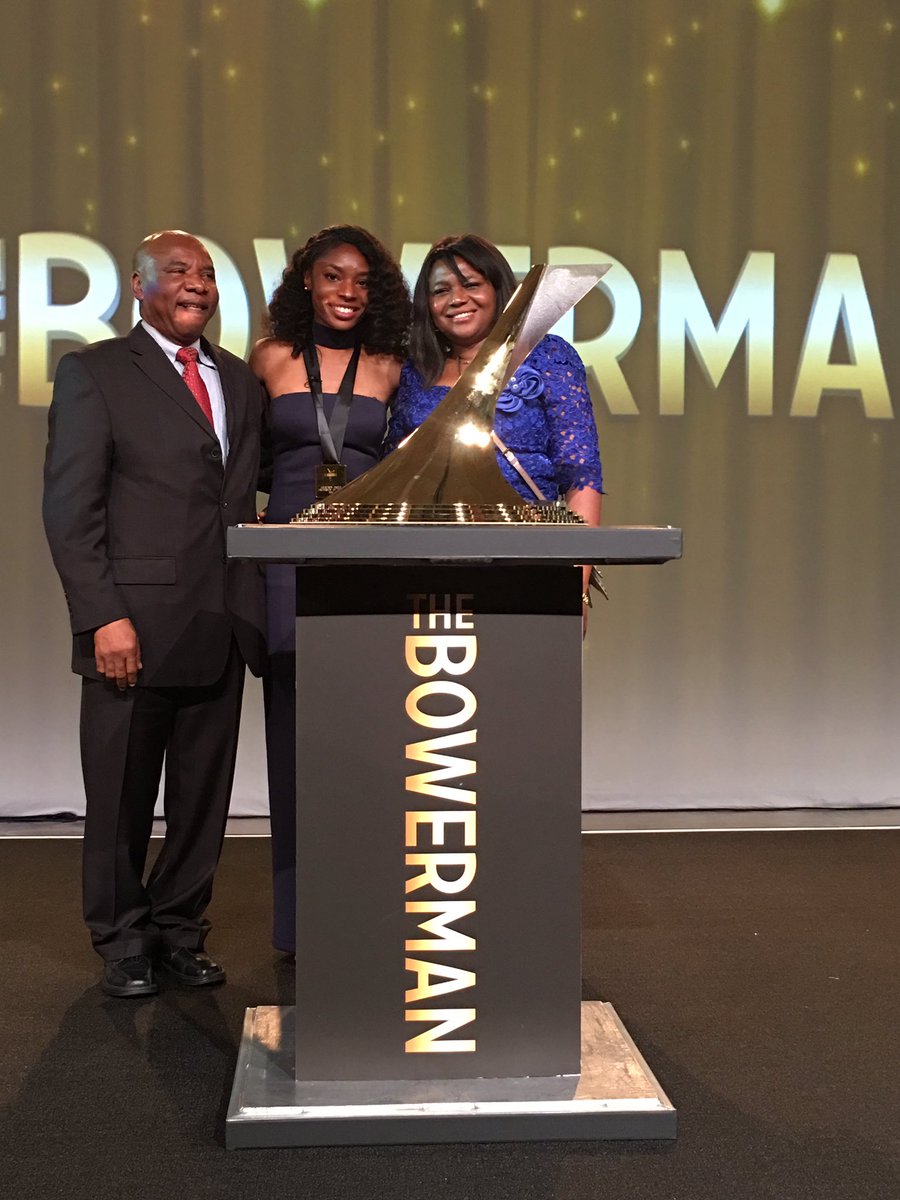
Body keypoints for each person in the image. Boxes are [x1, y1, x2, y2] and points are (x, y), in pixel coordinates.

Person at [42, 230, 266, 998]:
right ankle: (122, 940)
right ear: (139, 287)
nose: (196, 283)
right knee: (120, 799)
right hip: (130, 628)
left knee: (202, 801)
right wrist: (101, 615)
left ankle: (179, 930)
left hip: (223, 622)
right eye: (177, 271)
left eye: (206, 273)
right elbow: (71, 510)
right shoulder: (97, 373)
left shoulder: (240, 381)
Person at [251, 224, 410, 954]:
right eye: (332, 276)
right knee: (294, 737)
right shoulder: (270, 359)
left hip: (364, 566)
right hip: (285, 566)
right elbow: (242, 463)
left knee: (366, 736)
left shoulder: (390, 367)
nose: (347, 292)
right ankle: (298, 924)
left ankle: (364, 911)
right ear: (306, 283)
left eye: (362, 281)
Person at [384, 233, 604, 615]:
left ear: (497, 288)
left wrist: (577, 585)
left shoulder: (548, 356)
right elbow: (395, 473)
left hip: (530, 560)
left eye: (471, 284)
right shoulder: (416, 371)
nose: (456, 299)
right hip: (429, 569)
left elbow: (581, 475)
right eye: (441, 291)